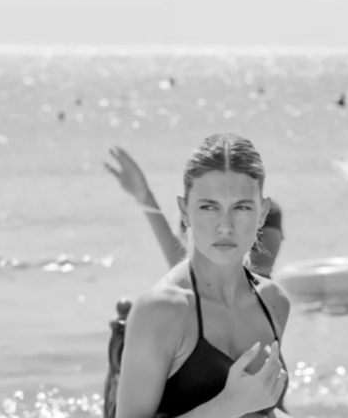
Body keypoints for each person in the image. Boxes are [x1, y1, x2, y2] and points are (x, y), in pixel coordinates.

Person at [113, 134, 292, 418]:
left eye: (242, 207)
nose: (225, 226)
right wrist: (227, 406)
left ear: (263, 212)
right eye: (209, 207)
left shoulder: (274, 302)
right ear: (185, 211)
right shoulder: (160, 311)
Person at [104, 147, 284, 277]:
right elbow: (181, 268)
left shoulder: (267, 215)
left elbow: (257, 281)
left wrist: (146, 198)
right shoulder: (195, 211)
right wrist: (144, 197)